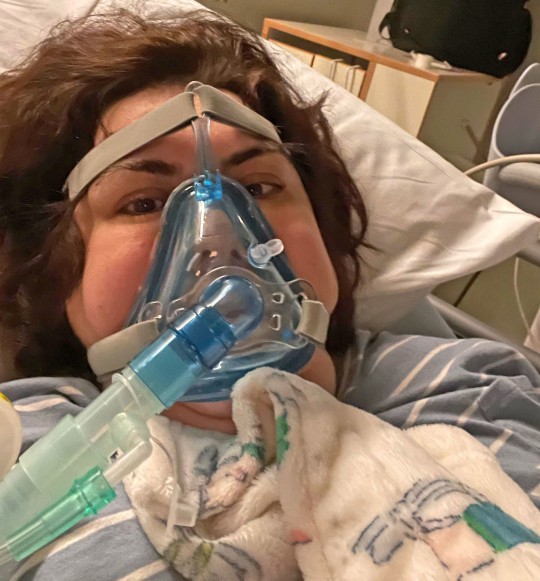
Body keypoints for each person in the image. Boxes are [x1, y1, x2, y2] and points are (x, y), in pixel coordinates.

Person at [0, 9, 538, 580]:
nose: (218, 238)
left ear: (325, 235)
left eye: (258, 187)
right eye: (145, 202)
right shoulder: (28, 437)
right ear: (58, 277)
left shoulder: (459, 384)